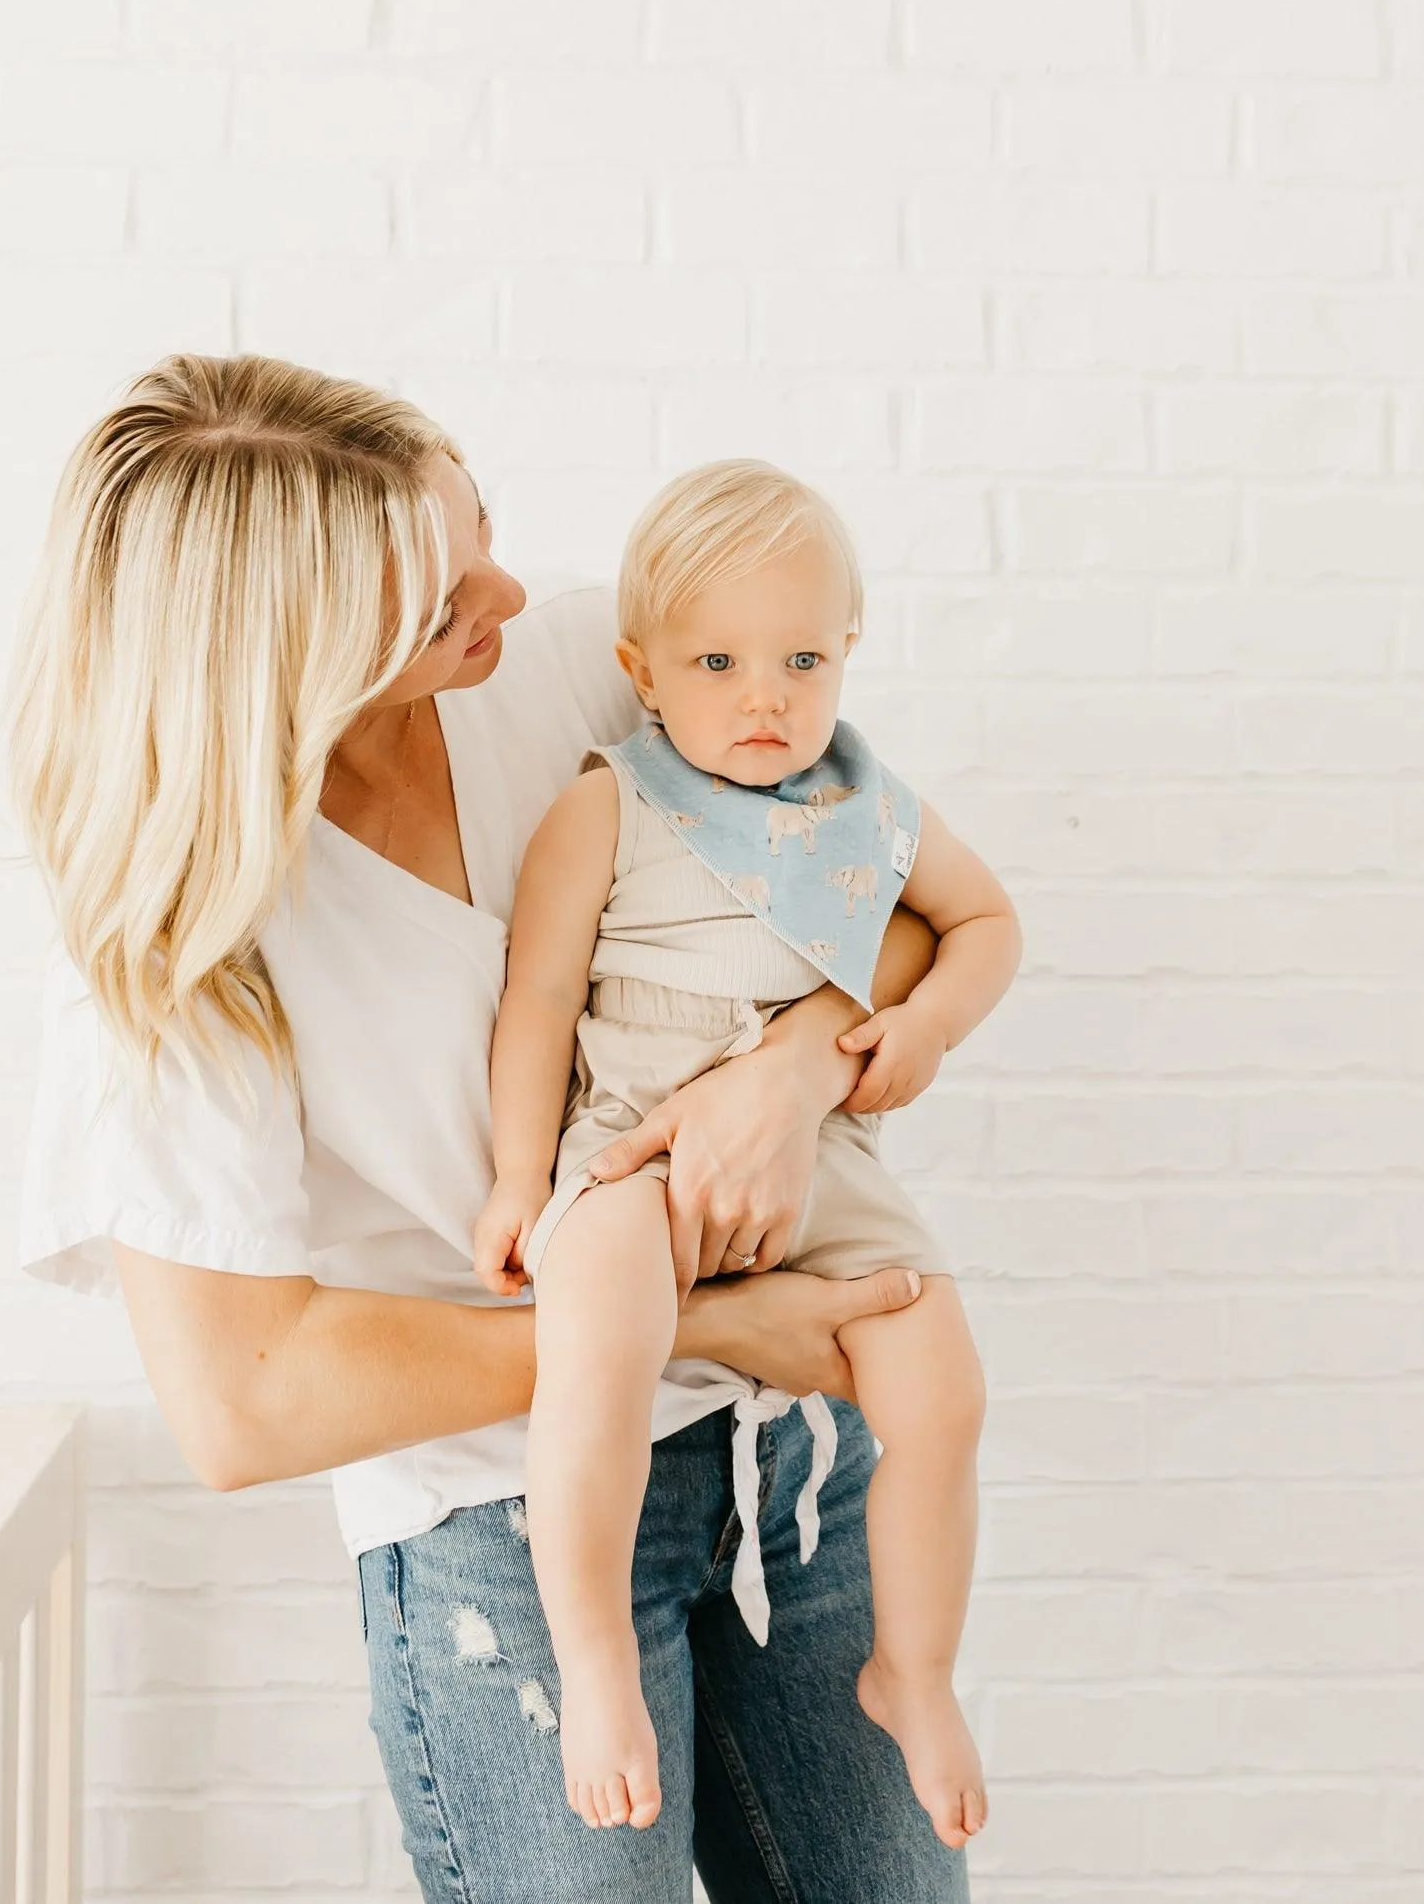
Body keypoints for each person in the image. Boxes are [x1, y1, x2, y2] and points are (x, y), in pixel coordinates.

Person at [9, 353, 974, 1904]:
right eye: (443, 596)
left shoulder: (604, 667)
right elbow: (244, 1403)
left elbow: (905, 912)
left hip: (783, 1452)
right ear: (299, 657)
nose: (511, 595)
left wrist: (789, 1073)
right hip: (493, 1516)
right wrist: (697, 1323)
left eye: (484, 533)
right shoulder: (173, 944)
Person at [475, 461, 1020, 1848]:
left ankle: (914, 1669)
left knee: (941, 1393)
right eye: (716, 661)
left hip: (825, 1154)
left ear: (848, 653)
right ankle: (594, 1660)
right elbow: (536, 1002)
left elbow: (985, 924)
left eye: (799, 659)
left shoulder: (867, 806)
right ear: (640, 669)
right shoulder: (607, 804)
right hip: (634, 1146)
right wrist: (517, 1178)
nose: (762, 697)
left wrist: (928, 1029)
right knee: (591, 1349)